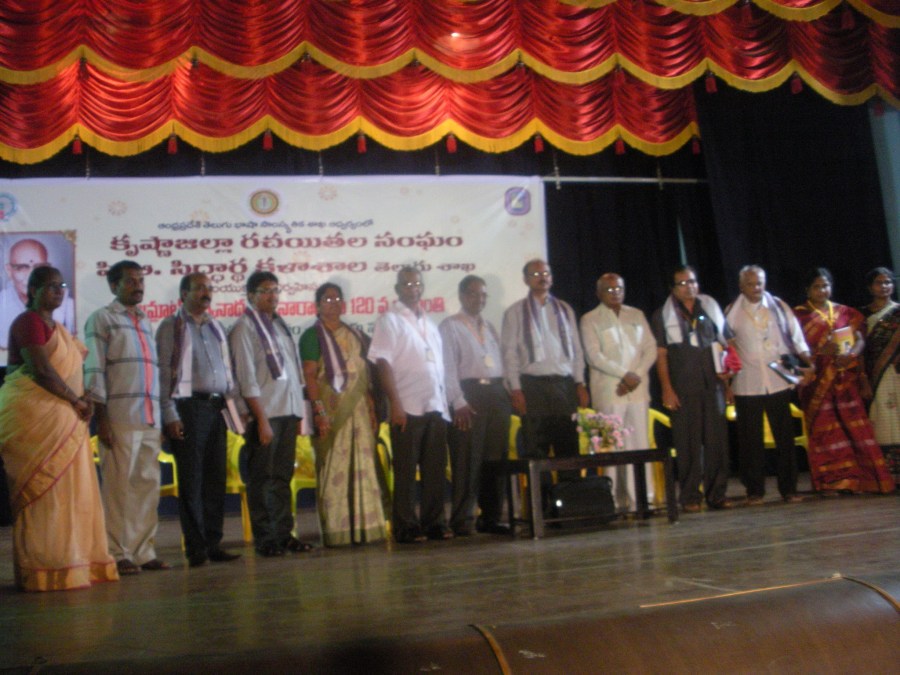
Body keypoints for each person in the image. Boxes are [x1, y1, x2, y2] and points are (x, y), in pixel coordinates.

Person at [0, 266, 118, 591]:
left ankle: (75, 563)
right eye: (51, 286)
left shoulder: (60, 329)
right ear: (33, 290)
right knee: (43, 495)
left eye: (61, 285)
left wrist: (83, 399)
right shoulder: (28, 322)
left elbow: (69, 373)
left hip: (66, 417)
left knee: (71, 493)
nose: (58, 291)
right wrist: (76, 400)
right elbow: (41, 370)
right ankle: (43, 568)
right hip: (35, 418)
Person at [84, 260, 169, 575]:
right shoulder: (102, 319)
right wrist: (102, 419)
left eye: (141, 280)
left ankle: (143, 552)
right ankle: (117, 552)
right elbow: (95, 371)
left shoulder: (145, 321)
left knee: (147, 488)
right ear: (113, 286)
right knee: (119, 490)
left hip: (148, 418)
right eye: (131, 281)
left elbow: (152, 374)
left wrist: (158, 418)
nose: (138, 286)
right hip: (119, 418)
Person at [156, 273, 242, 567]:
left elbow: (226, 371)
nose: (206, 293)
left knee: (215, 479)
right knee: (192, 481)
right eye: (199, 288)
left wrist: (237, 408)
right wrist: (169, 413)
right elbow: (164, 373)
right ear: (184, 293)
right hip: (188, 408)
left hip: (217, 408)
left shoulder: (215, 326)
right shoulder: (172, 326)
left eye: (209, 288)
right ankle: (196, 549)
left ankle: (213, 543)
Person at [229, 271, 312, 557]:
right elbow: (246, 379)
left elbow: (293, 373)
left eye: (275, 290)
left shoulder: (279, 324)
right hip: (264, 415)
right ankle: (266, 539)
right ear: (250, 295)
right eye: (265, 291)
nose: (272, 296)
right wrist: (261, 420)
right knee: (262, 478)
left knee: (281, 478)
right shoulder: (244, 328)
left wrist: (299, 413)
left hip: (287, 411)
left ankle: (284, 534)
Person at [299, 282, 386, 547]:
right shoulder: (311, 336)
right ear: (317, 305)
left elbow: (365, 376)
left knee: (363, 465)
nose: (333, 303)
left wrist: (371, 405)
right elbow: (310, 375)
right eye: (327, 299)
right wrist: (319, 411)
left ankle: (367, 527)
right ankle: (338, 531)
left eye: (337, 298)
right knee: (334, 467)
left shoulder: (355, 334)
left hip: (360, 412)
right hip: (330, 413)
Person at [369, 266, 452, 544]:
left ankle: (434, 523)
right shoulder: (389, 320)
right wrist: (395, 403)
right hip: (406, 406)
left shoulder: (430, 323)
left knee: (434, 470)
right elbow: (382, 363)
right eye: (407, 284)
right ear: (397, 289)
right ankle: (405, 527)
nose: (413, 289)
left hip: (435, 404)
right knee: (405, 471)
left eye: (417, 284)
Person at [794, 268, 894, 495]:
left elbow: (859, 339)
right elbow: (793, 347)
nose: (822, 290)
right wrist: (821, 351)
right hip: (816, 382)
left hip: (846, 379)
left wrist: (852, 354)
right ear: (808, 290)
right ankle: (831, 482)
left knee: (854, 430)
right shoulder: (798, 316)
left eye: (826, 286)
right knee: (826, 432)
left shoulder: (846, 312)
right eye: (817, 287)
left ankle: (860, 480)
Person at [724, 266, 813, 506]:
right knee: (750, 441)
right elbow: (724, 348)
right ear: (741, 286)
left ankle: (789, 489)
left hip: (778, 380)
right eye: (751, 284)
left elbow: (797, 337)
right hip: (747, 383)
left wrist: (808, 362)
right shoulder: (732, 311)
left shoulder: (779, 307)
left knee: (785, 439)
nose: (756, 288)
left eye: (760, 283)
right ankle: (754, 491)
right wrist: (727, 383)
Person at [651, 265, 732, 513]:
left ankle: (717, 494)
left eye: (693, 282)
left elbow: (725, 345)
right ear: (673, 288)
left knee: (717, 443)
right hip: (683, 388)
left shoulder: (709, 307)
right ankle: (689, 497)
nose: (689, 287)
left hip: (712, 386)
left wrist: (727, 383)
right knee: (688, 444)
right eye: (683, 283)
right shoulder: (662, 315)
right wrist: (667, 389)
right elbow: (661, 355)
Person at [501, 259, 589, 474]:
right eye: (536, 274)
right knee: (535, 449)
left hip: (564, 386)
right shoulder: (515, 312)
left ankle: (569, 495)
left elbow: (577, 350)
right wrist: (515, 389)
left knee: (568, 448)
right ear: (525, 280)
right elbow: (509, 354)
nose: (542, 278)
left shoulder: (564, 309)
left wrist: (580, 383)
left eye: (546, 273)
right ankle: (540, 496)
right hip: (533, 387)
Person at [440, 275, 512, 536]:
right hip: (468, 395)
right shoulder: (450, 326)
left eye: (483, 294)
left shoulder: (489, 326)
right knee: (466, 459)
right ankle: (462, 518)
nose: (479, 299)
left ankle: (491, 517)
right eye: (473, 294)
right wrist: (458, 401)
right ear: (461, 296)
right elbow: (447, 368)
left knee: (495, 459)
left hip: (496, 393)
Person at [580, 273, 657, 511]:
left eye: (619, 289)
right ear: (598, 293)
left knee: (639, 446)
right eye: (609, 289)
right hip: (609, 392)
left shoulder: (637, 315)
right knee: (609, 448)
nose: (615, 293)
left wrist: (635, 375)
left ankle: (642, 500)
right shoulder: (589, 319)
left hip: (637, 391)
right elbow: (594, 356)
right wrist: (625, 375)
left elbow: (650, 349)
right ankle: (610, 501)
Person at [859, 267, 899, 486]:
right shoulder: (861, 316)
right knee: (881, 419)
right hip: (875, 376)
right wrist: (863, 379)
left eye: (887, 282)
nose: (884, 286)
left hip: (897, 373)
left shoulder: (898, 312)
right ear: (869, 287)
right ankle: (885, 475)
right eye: (878, 283)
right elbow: (858, 350)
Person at [1, 238, 76, 349]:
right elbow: (39, 360)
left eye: (39, 268)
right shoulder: (28, 320)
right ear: (9, 270)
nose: (31, 275)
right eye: (23, 267)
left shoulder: (68, 306)